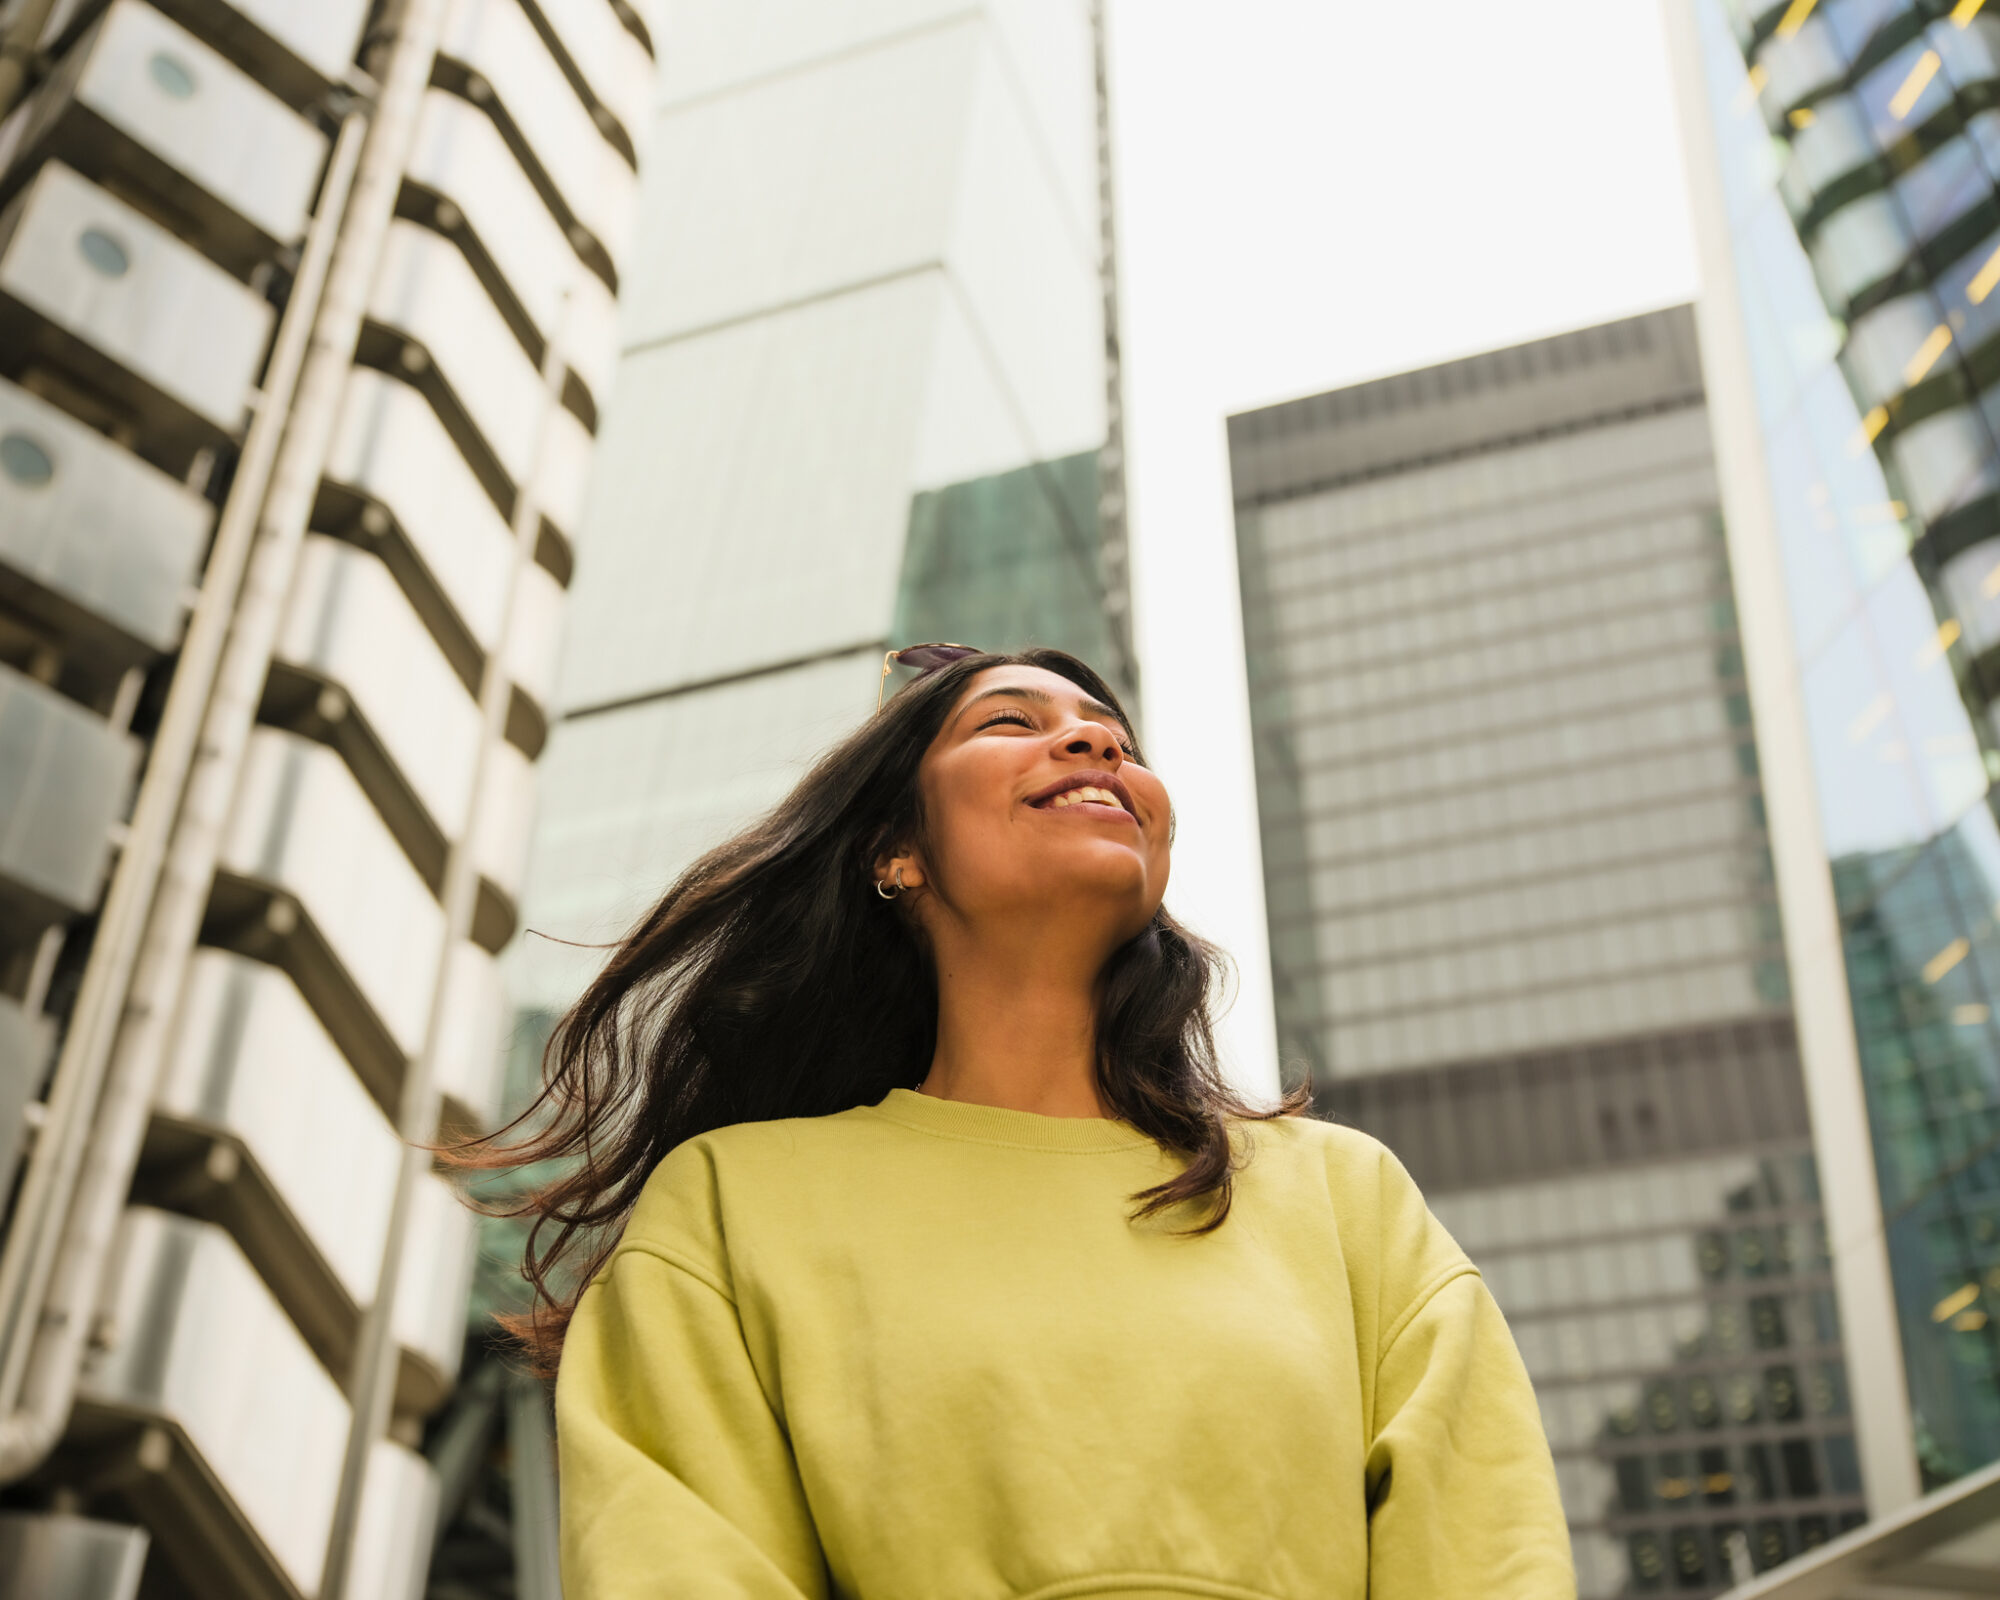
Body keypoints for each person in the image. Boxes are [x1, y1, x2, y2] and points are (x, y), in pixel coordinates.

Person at [479, 645, 1574, 1599]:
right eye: (1013, 723)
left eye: (1114, 740)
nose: (1094, 749)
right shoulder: (728, 1206)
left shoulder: (1342, 1197)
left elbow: (1483, 1552)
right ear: (892, 852)